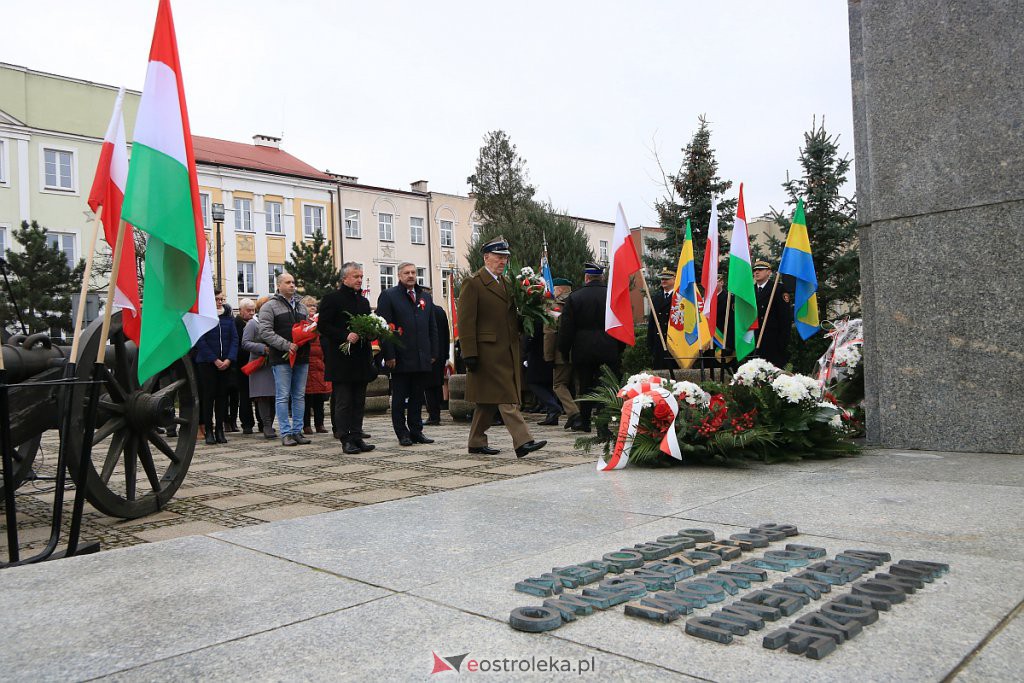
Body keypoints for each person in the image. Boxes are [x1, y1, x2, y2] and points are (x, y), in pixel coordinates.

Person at [457, 236, 546, 458]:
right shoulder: (474, 283)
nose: (503, 261)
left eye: (505, 257)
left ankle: (476, 441)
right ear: (486, 257)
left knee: (488, 401)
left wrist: (527, 318)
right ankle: (523, 441)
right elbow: (466, 321)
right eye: (498, 257)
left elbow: (509, 317)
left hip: (507, 349)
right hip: (486, 351)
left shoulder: (507, 283)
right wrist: (469, 353)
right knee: (506, 397)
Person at [376, 262, 439, 446]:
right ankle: (402, 433)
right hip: (400, 357)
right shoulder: (389, 296)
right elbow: (384, 328)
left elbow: (432, 327)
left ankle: (416, 430)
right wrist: (389, 355)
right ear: (399, 275)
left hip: (422, 357)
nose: (411, 275)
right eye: (406, 273)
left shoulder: (424, 297)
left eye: (413, 272)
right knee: (399, 398)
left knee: (417, 396)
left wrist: (433, 352)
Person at [318, 262, 377, 454]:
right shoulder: (331, 299)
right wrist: (345, 335)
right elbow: (324, 326)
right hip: (342, 359)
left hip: (361, 358)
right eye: (355, 276)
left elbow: (368, 324)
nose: (359, 280)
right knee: (344, 401)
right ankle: (345, 438)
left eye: (361, 276)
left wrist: (371, 333)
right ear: (344, 278)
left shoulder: (363, 302)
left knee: (359, 401)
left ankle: (357, 436)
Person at [559, 262, 625, 433]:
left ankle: (585, 421)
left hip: (583, 348)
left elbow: (566, 328)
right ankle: (603, 425)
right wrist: (620, 348)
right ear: (602, 277)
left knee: (585, 385)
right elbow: (621, 323)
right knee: (606, 386)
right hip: (608, 346)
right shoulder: (611, 296)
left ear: (586, 277)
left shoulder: (575, 297)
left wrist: (564, 351)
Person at [258, 271, 311, 447]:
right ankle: (286, 433)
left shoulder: (301, 307)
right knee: (282, 396)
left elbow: (308, 328)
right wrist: (286, 345)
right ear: (279, 285)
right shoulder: (270, 306)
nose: (292, 285)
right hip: (281, 358)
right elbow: (264, 331)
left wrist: (309, 334)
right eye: (288, 282)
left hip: (302, 357)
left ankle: (297, 431)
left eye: (293, 282)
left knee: (299, 395)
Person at [193, 291, 238, 445]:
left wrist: (229, 359)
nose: (220, 302)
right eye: (217, 299)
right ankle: (209, 431)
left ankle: (220, 429)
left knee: (222, 397)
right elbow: (201, 341)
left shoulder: (228, 318)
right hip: (207, 363)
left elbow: (234, 339)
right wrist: (214, 359)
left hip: (225, 363)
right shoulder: (203, 318)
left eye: (221, 299)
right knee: (208, 397)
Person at [543, 278, 580, 429]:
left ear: (558, 290)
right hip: (579, 350)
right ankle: (582, 415)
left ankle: (573, 413)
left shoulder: (553, 306)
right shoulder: (579, 301)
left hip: (560, 353)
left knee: (559, 385)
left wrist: (548, 356)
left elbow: (550, 333)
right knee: (579, 385)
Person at [242, 296, 277, 438]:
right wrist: (263, 348)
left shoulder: (274, 322)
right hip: (259, 364)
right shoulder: (252, 324)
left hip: (274, 362)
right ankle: (266, 426)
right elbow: (245, 343)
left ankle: (270, 424)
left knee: (274, 396)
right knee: (263, 396)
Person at [752, 259, 793, 368]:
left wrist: (782, 343)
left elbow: (785, 318)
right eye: (755, 270)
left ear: (769, 272)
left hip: (772, 341)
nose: (756, 272)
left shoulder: (778, 289)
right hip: (754, 339)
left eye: (760, 270)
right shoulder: (750, 291)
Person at [301, 296, 332, 435]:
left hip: (319, 362)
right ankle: (306, 425)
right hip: (306, 363)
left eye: (314, 305)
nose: (312, 308)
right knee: (306, 397)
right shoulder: (302, 323)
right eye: (309, 306)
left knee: (320, 396)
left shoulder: (320, 323)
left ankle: (320, 424)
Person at [527, 298, 561, 425]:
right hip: (548, 352)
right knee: (546, 384)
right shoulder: (551, 312)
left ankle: (553, 407)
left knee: (533, 382)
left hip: (538, 353)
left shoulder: (536, 315)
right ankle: (552, 414)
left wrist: (526, 349)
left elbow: (532, 334)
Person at [420, 285, 450, 426]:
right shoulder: (440, 311)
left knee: (428, 386)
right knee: (436, 385)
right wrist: (445, 355)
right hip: (440, 354)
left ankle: (433, 416)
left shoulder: (424, 311)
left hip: (428, 355)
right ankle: (435, 414)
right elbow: (446, 334)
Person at [229, 298, 257, 434]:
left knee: (258, 394)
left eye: (253, 310)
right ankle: (247, 423)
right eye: (249, 310)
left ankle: (263, 422)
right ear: (240, 311)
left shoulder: (256, 322)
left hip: (255, 363)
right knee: (245, 395)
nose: (252, 313)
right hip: (241, 364)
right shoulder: (236, 324)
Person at [647, 267, 677, 369]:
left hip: (674, 343)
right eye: (662, 279)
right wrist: (650, 343)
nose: (663, 281)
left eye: (667, 279)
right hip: (659, 343)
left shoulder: (679, 298)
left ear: (674, 279)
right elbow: (652, 322)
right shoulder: (656, 298)